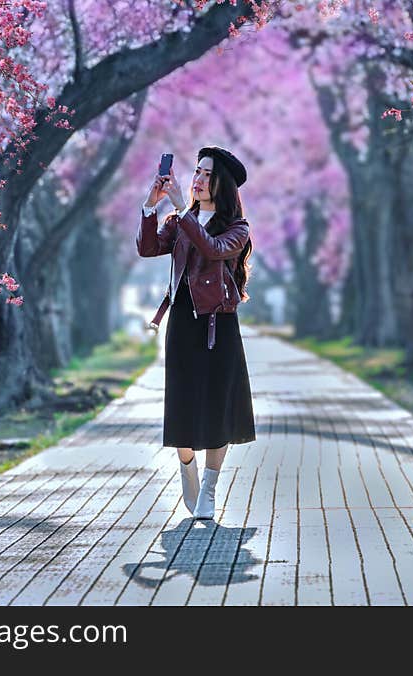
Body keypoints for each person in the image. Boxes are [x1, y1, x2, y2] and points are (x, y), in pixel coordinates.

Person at [136, 146, 256, 519]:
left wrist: (182, 211)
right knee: (183, 404)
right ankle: (187, 467)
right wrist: (150, 205)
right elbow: (148, 248)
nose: (198, 180)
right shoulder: (179, 221)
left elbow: (213, 248)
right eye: (197, 172)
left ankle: (209, 487)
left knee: (218, 406)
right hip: (184, 324)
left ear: (222, 185)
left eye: (208, 174)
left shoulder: (236, 228)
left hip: (219, 324)